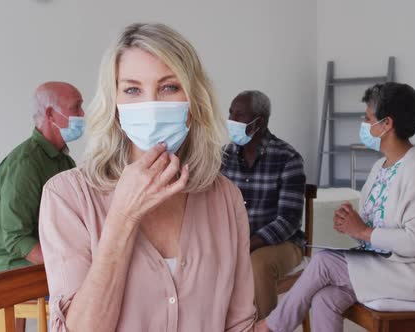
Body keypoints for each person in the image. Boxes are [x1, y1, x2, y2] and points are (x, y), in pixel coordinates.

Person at [39, 23, 257, 331]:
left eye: (169, 87)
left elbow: (239, 322)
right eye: (132, 90)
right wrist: (123, 218)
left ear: (193, 101)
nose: (151, 105)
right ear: (114, 104)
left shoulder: (225, 198)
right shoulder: (67, 196)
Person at [255, 82, 415, 332]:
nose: (363, 124)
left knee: (323, 263)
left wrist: (363, 231)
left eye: (368, 118)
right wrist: (350, 224)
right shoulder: (380, 167)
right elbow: (370, 225)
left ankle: (268, 327)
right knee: (325, 298)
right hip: (389, 265)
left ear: (387, 124)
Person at [222, 90, 306, 318]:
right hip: (236, 243)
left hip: (283, 244)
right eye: (230, 113)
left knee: (257, 263)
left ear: (259, 122)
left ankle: (265, 326)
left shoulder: (288, 158)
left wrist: (248, 244)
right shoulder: (224, 157)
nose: (231, 120)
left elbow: (289, 220)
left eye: (239, 115)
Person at [0, 82, 84, 272]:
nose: (82, 114)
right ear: (50, 114)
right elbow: (16, 239)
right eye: (76, 107)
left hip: (52, 262)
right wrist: (66, 265)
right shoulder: (24, 164)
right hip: (19, 273)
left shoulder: (64, 161)